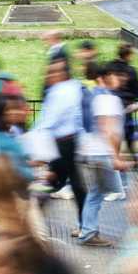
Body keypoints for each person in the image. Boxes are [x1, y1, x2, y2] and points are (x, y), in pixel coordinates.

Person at [33, 59, 87, 232]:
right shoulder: (74, 87)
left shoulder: (60, 91)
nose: (49, 76)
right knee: (67, 184)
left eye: (53, 73)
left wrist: (34, 143)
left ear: (62, 74)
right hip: (66, 143)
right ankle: (85, 226)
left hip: (62, 144)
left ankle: (29, 216)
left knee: (58, 182)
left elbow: (48, 120)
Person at [77, 62, 126, 247]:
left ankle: (86, 230)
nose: (119, 79)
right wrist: (115, 157)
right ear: (104, 77)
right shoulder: (106, 98)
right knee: (116, 192)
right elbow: (107, 129)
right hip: (102, 153)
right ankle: (88, 232)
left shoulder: (93, 95)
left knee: (96, 192)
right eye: (115, 75)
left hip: (91, 151)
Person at [110, 43, 138, 157]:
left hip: (111, 104)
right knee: (128, 132)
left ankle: (115, 156)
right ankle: (134, 157)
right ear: (128, 55)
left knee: (114, 132)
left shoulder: (110, 67)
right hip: (126, 105)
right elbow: (137, 89)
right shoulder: (131, 70)